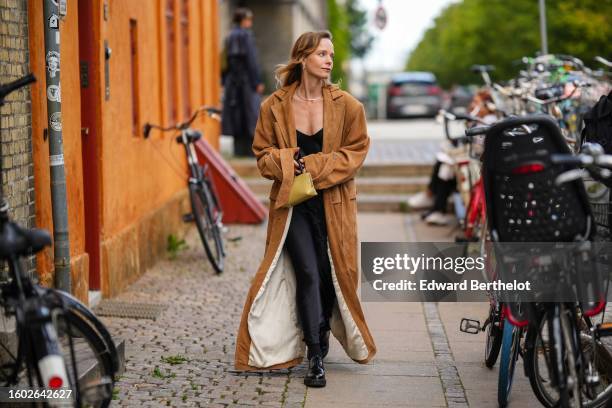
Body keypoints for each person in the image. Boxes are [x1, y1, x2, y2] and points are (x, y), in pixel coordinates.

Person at [234, 31, 376, 388]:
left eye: (331, 54)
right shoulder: (274, 106)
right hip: (293, 204)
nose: (329, 59)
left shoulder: (349, 106)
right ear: (302, 57)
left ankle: (323, 328)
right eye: (322, 53)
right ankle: (315, 354)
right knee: (308, 272)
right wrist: (285, 162)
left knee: (333, 277)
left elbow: (356, 153)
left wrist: (312, 166)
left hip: (335, 206)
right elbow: (262, 155)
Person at [221, 7, 264, 157]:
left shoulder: (229, 36)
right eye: (249, 19)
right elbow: (251, 61)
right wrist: (257, 81)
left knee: (236, 116)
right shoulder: (246, 36)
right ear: (244, 20)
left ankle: (239, 151)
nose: (250, 22)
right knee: (251, 114)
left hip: (233, 83)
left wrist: (224, 81)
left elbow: (225, 61)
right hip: (246, 82)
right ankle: (251, 152)